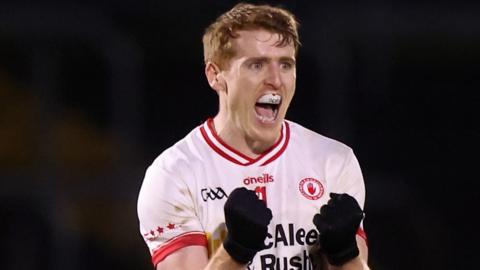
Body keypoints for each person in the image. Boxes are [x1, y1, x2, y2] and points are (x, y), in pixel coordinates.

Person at [137, 3, 370, 270]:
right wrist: (235, 251)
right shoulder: (175, 174)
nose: (275, 79)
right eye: (257, 65)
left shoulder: (333, 162)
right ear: (215, 76)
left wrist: (345, 255)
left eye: (285, 64)